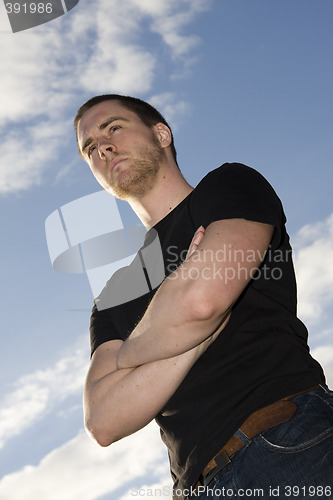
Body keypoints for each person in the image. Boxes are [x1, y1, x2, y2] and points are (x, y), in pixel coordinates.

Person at [74, 94, 333, 499]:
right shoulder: (113, 294)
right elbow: (105, 421)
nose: (102, 146)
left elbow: (201, 303)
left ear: (161, 134)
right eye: (89, 147)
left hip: (284, 440)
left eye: (114, 128)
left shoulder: (228, 185)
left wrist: (129, 357)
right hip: (195, 487)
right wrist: (196, 336)